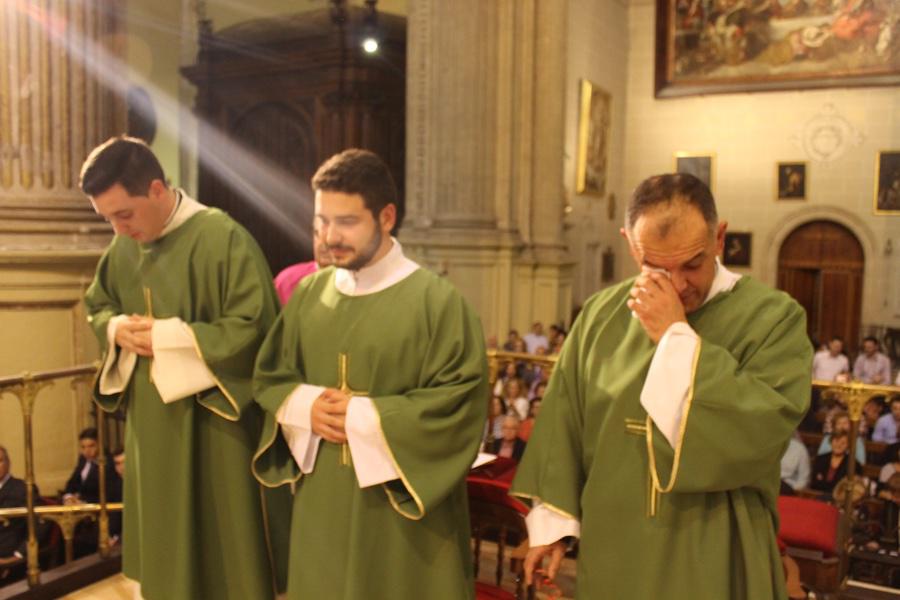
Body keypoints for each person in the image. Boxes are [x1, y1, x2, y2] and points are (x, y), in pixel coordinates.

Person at [511, 173, 812, 599]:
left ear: (719, 238)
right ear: (630, 246)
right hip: (613, 545)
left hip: (713, 544)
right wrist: (554, 524)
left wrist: (676, 335)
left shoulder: (774, 319)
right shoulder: (600, 315)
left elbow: (761, 428)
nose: (677, 284)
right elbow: (564, 422)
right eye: (655, 267)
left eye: (692, 264)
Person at [251, 149, 488, 600]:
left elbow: (459, 408)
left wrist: (361, 416)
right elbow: (271, 377)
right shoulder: (309, 295)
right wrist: (305, 405)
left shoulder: (437, 302)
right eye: (321, 221)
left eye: (346, 222)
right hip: (323, 503)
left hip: (401, 516)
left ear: (387, 216)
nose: (328, 237)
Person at [81, 136, 290, 600]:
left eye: (125, 214)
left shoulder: (223, 238)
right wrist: (116, 329)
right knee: (165, 553)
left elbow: (254, 328)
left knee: (225, 556)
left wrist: (169, 336)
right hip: (154, 426)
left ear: (157, 189)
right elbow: (98, 304)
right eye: (108, 218)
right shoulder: (123, 249)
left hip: (215, 424)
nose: (118, 230)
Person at [273, 224, 333, 305]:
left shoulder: (353, 286)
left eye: (331, 235)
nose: (323, 243)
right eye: (317, 233)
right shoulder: (287, 280)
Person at [0, 446, 33, 580]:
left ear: (8, 463)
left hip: (7, 554)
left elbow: (40, 524)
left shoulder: (22, 488)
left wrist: (17, 556)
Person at [63, 428, 114, 505]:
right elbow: (72, 482)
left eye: (91, 446)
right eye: (83, 447)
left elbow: (108, 494)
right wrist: (69, 497)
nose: (86, 451)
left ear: (100, 444)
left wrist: (84, 502)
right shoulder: (82, 459)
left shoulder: (109, 463)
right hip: (77, 504)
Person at [810, 430, 858, 495]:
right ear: (831, 441)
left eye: (843, 443)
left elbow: (844, 488)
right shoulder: (820, 459)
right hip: (817, 495)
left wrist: (823, 483)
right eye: (836, 441)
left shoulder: (852, 464)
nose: (838, 445)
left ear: (848, 446)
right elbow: (814, 483)